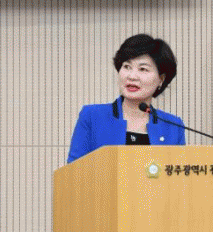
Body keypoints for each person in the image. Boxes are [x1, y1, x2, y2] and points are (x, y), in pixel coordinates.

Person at [67, 34, 186, 163]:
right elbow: (73, 170)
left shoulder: (173, 127)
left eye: (143, 69)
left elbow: (177, 174)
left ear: (161, 79)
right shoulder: (92, 116)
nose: (132, 76)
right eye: (127, 67)